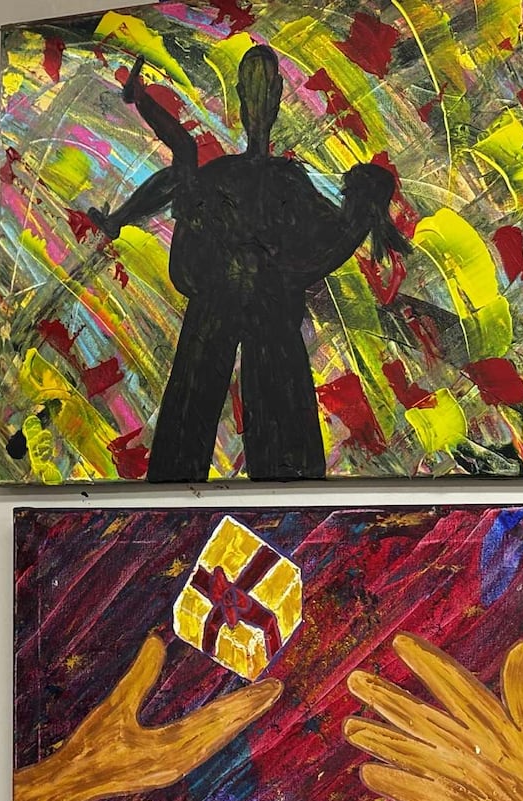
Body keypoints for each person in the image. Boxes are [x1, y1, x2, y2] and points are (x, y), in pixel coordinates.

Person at [90, 48, 409, 481]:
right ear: (273, 95)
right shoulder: (280, 181)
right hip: (253, 312)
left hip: (239, 310)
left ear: (255, 97)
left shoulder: (252, 178)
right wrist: (365, 207)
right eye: (259, 89)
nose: (260, 101)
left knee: (203, 430)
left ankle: (194, 487)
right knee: (263, 440)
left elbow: (177, 172)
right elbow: (324, 245)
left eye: (262, 89)